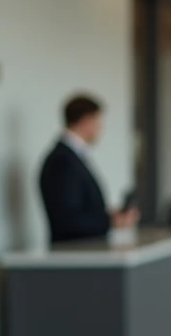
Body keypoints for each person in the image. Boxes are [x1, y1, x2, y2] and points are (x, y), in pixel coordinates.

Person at [39, 93, 138, 243]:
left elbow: (79, 208)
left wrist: (109, 217)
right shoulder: (62, 161)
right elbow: (67, 221)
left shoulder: (73, 157)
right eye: (98, 122)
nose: (101, 129)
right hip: (73, 255)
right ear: (86, 121)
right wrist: (110, 222)